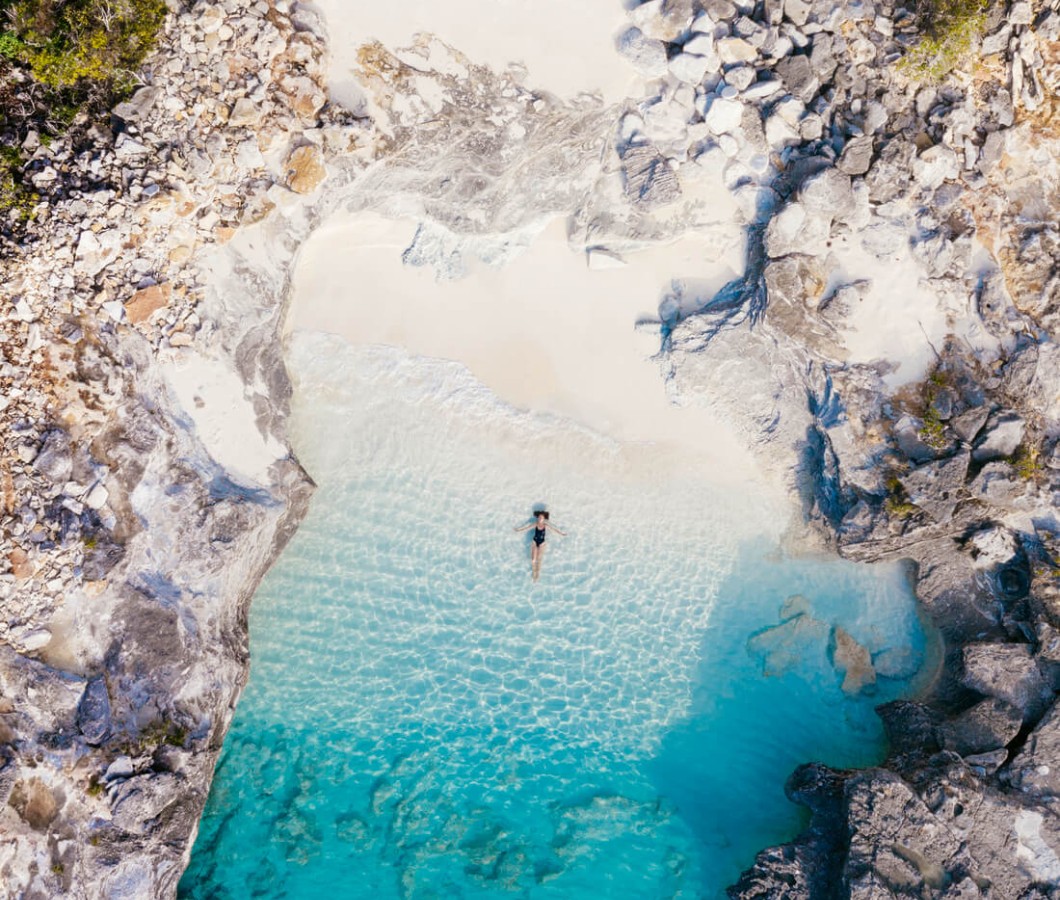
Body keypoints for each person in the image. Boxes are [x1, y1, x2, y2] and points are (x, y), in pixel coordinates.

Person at [513, 511, 566, 582]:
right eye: (539, 517)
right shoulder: (535, 524)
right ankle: (534, 572)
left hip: (542, 543)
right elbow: (527, 528)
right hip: (535, 542)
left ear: (544, 519)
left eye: (542, 517)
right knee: (533, 560)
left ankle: (537, 574)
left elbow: (554, 530)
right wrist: (518, 530)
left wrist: (561, 533)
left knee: (539, 559)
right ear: (538, 518)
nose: (540, 519)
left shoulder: (545, 525)